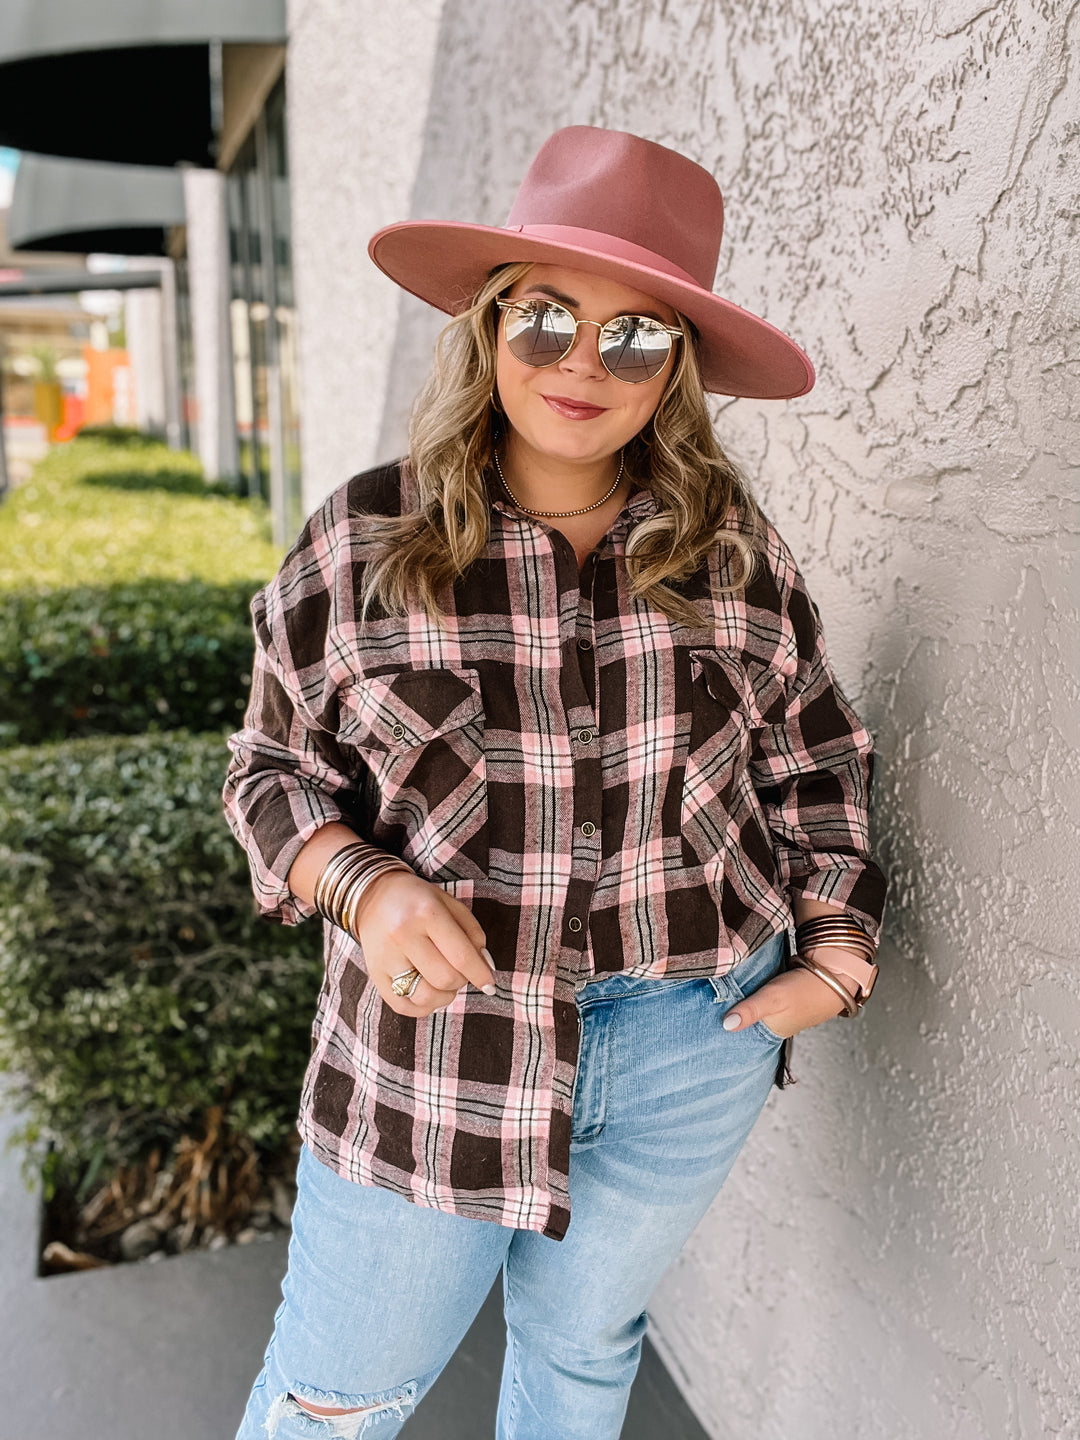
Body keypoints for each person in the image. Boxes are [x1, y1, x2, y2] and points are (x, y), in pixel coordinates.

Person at [224, 124, 887, 1440]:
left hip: (692, 1044)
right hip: (437, 1056)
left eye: (637, 335)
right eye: (547, 318)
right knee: (335, 1403)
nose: (586, 362)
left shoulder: (730, 549)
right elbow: (272, 768)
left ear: (676, 373)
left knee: (587, 1353)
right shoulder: (364, 541)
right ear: (488, 328)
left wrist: (841, 948)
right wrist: (366, 889)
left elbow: (813, 749)